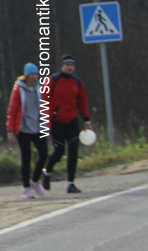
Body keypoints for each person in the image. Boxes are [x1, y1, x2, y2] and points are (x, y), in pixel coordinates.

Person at [41, 54, 91, 193]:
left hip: (72, 121)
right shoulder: (52, 81)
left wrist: (87, 120)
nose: (70, 68)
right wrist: (46, 123)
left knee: (73, 151)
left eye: (72, 65)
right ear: (62, 66)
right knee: (60, 150)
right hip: (56, 121)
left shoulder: (77, 82)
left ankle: (71, 183)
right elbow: (44, 102)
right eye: (67, 65)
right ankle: (47, 172)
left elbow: (82, 102)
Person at [7, 63, 49, 199]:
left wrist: (47, 125)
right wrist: (10, 131)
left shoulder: (39, 89)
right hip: (23, 129)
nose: (35, 77)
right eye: (32, 74)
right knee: (26, 158)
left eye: (36, 74)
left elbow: (45, 108)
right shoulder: (18, 89)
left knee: (44, 154)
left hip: (38, 127)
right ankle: (26, 188)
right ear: (27, 76)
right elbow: (12, 110)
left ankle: (35, 181)